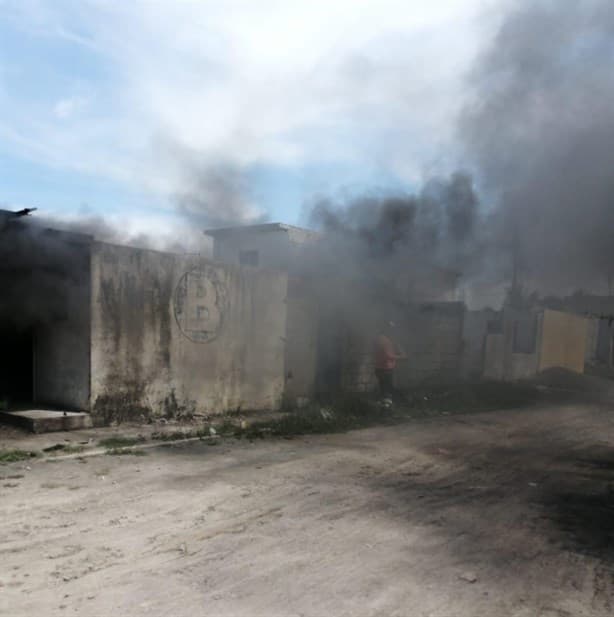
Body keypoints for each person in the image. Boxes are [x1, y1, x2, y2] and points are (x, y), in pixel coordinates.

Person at [373, 321, 407, 406]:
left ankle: (384, 406)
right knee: (387, 390)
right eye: (392, 329)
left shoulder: (379, 338)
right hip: (386, 369)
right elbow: (388, 356)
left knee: (384, 389)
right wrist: (402, 357)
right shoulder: (385, 341)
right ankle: (386, 408)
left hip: (380, 368)